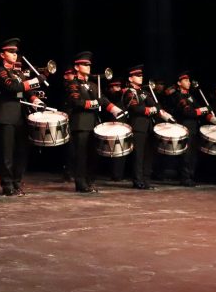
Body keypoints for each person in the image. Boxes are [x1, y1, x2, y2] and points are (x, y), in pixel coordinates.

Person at [0, 38, 44, 196]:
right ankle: (7, 184)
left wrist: (36, 101)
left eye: (16, 52)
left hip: (21, 116)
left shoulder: (18, 73)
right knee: (6, 153)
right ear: (2, 55)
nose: (15, 55)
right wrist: (35, 81)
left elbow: (27, 92)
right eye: (11, 52)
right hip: (5, 115)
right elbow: (12, 87)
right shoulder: (0, 71)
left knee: (21, 152)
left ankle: (17, 182)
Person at [64, 51, 125, 193]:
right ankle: (81, 183)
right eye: (84, 65)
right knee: (81, 155)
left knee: (93, 155)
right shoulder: (73, 84)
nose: (88, 67)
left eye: (89, 65)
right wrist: (94, 103)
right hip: (80, 124)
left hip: (93, 123)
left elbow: (103, 99)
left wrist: (114, 109)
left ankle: (90, 181)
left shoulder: (93, 84)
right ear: (77, 67)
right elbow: (76, 102)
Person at [121, 64, 174, 189]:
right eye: (137, 75)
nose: (140, 77)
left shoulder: (145, 92)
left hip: (149, 126)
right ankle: (138, 180)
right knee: (138, 155)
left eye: (141, 75)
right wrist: (151, 110)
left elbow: (156, 105)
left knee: (148, 155)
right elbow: (135, 108)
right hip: (137, 126)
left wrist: (165, 115)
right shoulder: (129, 92)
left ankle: (146, 179)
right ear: (130, 78)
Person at [170, 70, 216, 186]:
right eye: (186, 80)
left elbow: (198, 109)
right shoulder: (178, 96)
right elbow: (188, 112)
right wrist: (204, 109)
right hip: (185, 127)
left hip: (193, 127)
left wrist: (212, 118)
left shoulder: (190, 96)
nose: (189, 82)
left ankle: (191, 176)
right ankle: (185, 178)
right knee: (186, 155)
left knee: (193, 155)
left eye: (189, 80)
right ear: (179, 83)